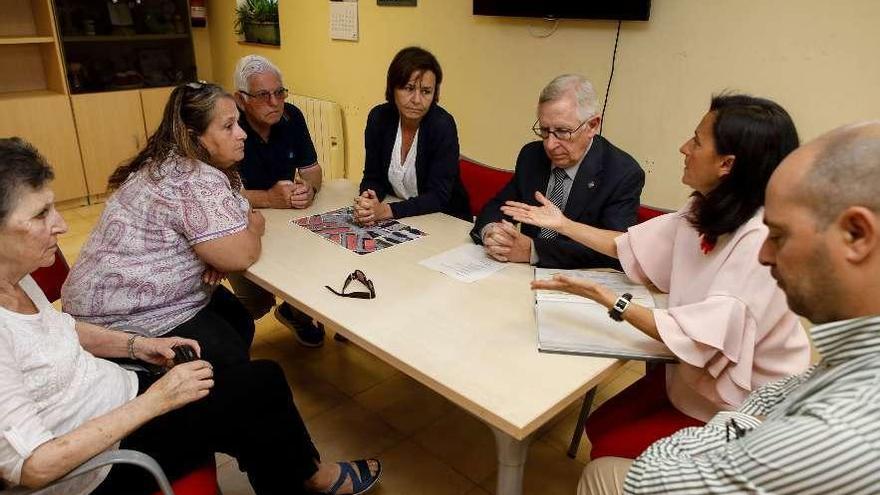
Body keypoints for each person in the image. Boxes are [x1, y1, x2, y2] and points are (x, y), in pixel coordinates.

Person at [0, 137, 381, 495]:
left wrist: (140, 345)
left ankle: (299, 475)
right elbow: (33, 466)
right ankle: (309, 477)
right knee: (257, 389)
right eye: (40, 214)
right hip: (100, 462)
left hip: (119, 396)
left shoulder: (15, 278)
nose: (61, 224)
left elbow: (59, 331)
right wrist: (157, 401)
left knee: (255, 385)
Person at [502, 94, 812, 460]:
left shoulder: (762, 240)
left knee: (609, 449)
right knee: (601, 426)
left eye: (696, 141)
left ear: (727, 163)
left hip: (740, 406)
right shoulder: (704, 207)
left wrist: (609, 298)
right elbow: (631, 245)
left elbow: (702, 338)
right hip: (690, 375)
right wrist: (565, 225)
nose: (684, 148)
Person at [580, 122, 880, 494]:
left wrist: (733, 426)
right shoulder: (853, 355)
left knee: (605, 469)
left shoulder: (845, 430)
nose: (767, 255)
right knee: (607, 424)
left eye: (781, 236)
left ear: (857, 235)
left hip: (716, 400)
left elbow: (650, 479)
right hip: (716, 392)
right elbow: (786, 389)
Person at [61, 82, 262, 369]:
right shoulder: (195, 178)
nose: (242, 134)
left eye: (238, 123)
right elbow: (242, 254)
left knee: (238, 318)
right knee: (227, 352)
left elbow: (233, 211)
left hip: (99, 299)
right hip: (122, 317)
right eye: (228, 126)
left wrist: (213, 249)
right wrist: (252, 226)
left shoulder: (168, 160)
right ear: (195, 137)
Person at [471, 74, 645, 269]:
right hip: (520, 275)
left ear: (592, 125)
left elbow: (613, 249)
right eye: (545, 130)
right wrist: (492, 232)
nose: (550, 145)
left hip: (577, 285)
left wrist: (533, 250)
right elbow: (501, 206)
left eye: (563, 131)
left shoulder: (622, 173)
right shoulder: (532, 156)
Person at [229, 54, 326, 347]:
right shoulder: (226, 125)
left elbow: (313, 172)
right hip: (241, 220)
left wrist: (308, 188)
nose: (275, 102)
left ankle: (295, 310)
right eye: (263, 95)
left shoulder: (291, 116)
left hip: (289, 219)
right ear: (241, 99)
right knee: (257, 302)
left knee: (313, 264)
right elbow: (216, 197)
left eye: (279, 93)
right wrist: (269, 198)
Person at [354, 46, 471, 226]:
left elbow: (438, 196)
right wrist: (368, 199)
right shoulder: (379, 118)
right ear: (393, 88)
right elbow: (373, 176)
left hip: (445, 221)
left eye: (426, 91)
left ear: (435, 94)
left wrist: (386, 211)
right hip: (403, 219)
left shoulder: (442, 125)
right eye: (409, 88)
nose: (417, 100)